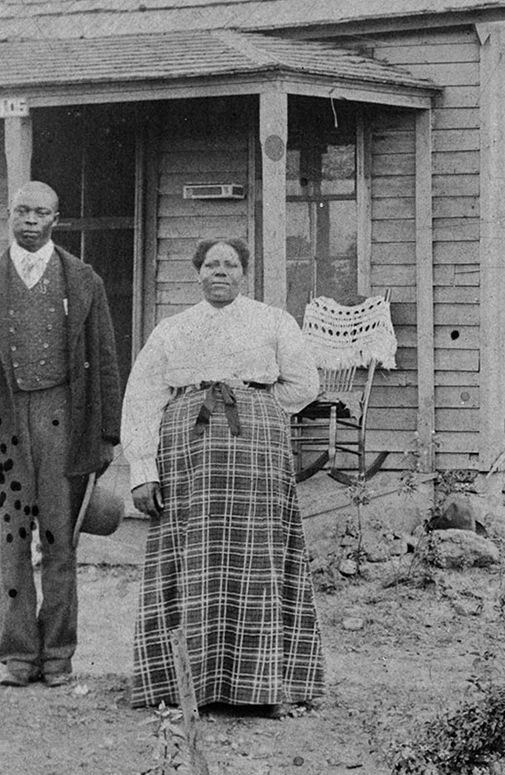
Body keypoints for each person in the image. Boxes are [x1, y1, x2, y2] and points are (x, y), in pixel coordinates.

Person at [121, 237, 324, 715]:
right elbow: (144, 397)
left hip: (256, 453)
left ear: (243, 273)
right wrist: (143, 470)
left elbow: (304, 383)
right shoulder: (173, 329)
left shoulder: (273, 321)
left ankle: (263, 686)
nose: (220, 272)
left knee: (258, 557)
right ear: (197, 273)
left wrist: (258, 407)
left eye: (230, 264)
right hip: (188, 454)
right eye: (211, 264)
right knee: (192, 556)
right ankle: (180, 685)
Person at [0, 181, 123, 688]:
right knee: (12, 541)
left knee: (60, 542)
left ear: (55, 220)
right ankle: (19, 654)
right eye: (21, 211)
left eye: (40, 213)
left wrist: (107, 433)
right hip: (0, 423)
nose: (29, 221)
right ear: (8, 215)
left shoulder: (83, 281)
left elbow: (106, 361)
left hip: (62, 421)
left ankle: (59, 655)